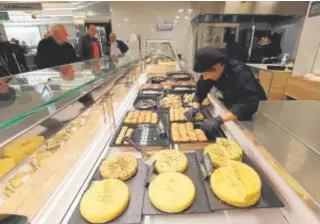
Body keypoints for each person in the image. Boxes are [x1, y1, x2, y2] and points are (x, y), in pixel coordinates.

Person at [185, 47, 267, 135]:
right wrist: (195, 107)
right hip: (233, 101)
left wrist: (219, 119)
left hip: (256, 106)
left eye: (207, 73)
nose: (205, 77)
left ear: (220, 65)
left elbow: (248, 103)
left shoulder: (239, 72)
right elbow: (201, 91)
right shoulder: (210, 71)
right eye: (203, 73)